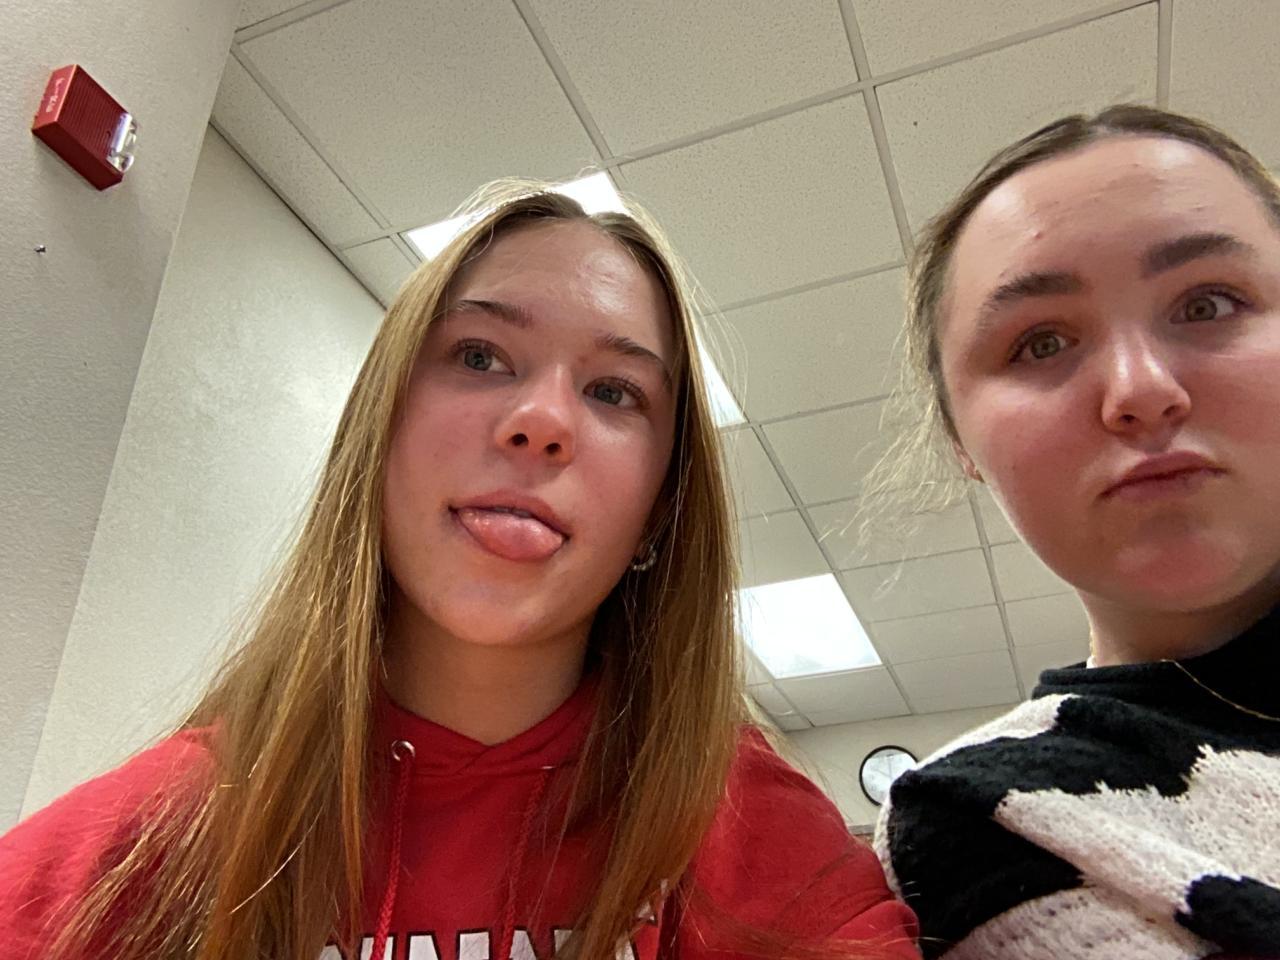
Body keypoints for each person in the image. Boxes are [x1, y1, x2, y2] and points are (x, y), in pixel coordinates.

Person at [0, 182, 919, 960]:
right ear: (380, 434)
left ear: (659, 511)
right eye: (479, 356)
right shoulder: (167, 831)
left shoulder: (747, 825)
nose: (541, 420)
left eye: (614, 391)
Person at [870, 104, 1280, 958]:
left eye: (1208, 303)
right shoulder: (990, 814)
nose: (1141, 388)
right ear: (961, 443)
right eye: (1042, 342)